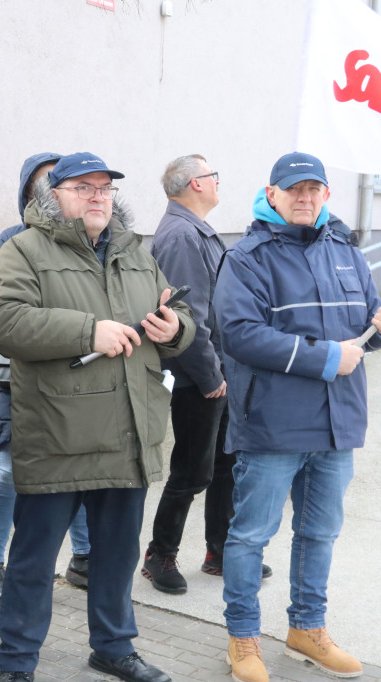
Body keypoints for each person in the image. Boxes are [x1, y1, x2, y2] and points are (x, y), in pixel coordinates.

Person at [0, 152, 194, 682]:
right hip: (59, 434)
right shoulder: (24, 250)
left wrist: (176, 330)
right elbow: (3, 320)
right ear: (54, 196)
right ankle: (17, 661)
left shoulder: (135, 252)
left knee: (117, 557)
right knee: (33, 561)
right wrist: (88, 332)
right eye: (84, 187)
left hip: (129, 431)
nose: (98, 196)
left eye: (104, 188)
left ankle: (114, 647)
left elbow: (180, 312)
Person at [214, 152, 381, 682]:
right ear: (273, 193)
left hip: (337, 425)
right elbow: (238, 333)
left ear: (327, 195)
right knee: (249, 537)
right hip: (273, 423)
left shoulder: (345, 252)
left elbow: (365, 325)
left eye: (314, 189)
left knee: (320, 533)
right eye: (294, 189)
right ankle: (242, 638)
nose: (305, 197)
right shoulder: (248, 256)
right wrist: (329, 357)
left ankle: (307, 630)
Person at [141, 155, 273, 595]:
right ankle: (160, 554)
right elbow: (187, 315)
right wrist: (210, 375)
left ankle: (221, 550)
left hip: (217, 369)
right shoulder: (181, 235)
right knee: (193, 469)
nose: (219, 182)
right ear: (196, 184)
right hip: (199, 373)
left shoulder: (197, 231)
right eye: (214, 176)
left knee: (224, 465)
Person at [0, 152, 93, 602]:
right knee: (7, 472)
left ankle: (84, 558)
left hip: (76, 377)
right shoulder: (13, 240)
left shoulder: (91, 239)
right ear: (29, 191)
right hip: (17, 379)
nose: (54, 190)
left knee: (82, 472)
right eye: (45, 183)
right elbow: (4, 317)